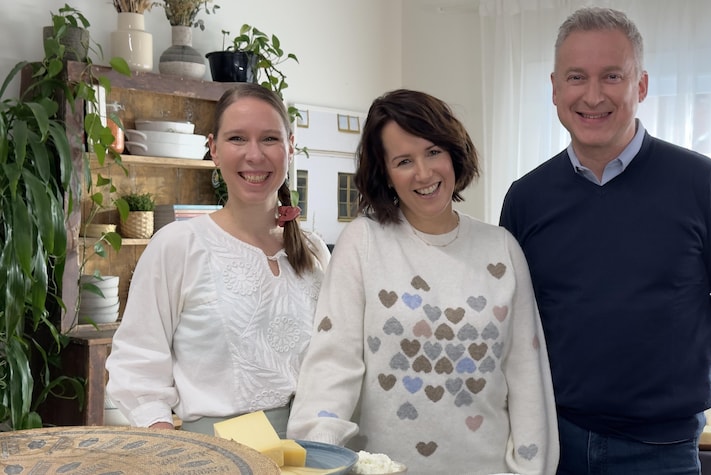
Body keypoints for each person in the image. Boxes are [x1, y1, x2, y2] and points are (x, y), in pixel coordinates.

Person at [499, 7, 711, 475]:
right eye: (576, 77)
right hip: (550, 443)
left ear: (640, 86)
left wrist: (676, 368)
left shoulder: (704, 184)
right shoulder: (527, 198)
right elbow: (516, 319)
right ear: (556, 88)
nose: (593, 95)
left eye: (612, 76)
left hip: (662, 449)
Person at [287, 89, 558, 474]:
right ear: (384, 173)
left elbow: (528, 380)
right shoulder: (363, 242)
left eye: (433, 151)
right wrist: (317, 460)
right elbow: (333, 365)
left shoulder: (502, 249)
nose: (424, 173)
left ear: (453, 151)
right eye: (403, 160)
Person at [105, 83, 331, 436]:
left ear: (290, 145)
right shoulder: (178, 246)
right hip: (216, 458)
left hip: (314, 451)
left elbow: (336, 361)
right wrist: (169, 444)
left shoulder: (314, 252)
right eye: (237, 139)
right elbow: (137, 364)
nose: (254, 155)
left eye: (269, 139)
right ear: (213, 149)